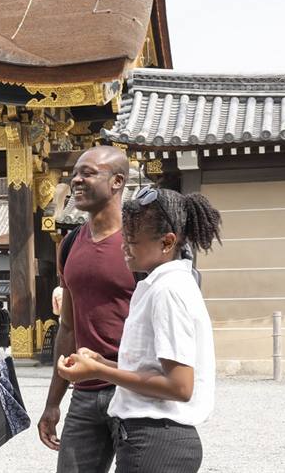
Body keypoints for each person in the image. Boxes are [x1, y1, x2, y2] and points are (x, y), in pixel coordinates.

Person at [58, 188, 220, 473]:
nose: (124, 249)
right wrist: (100, 361)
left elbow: (179, 386)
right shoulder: (161, 285)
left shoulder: (168, 291)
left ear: (167, 242)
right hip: (153, 438)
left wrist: (99, 372)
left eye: (132, 242)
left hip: (156, 441)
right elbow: (151, 368)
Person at [38, 145, 135, 473]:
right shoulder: (70, 244)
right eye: (74, 173)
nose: (76, 180)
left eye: (88, 173)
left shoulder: (141, 243)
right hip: (84, 394)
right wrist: (53, 402)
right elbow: (68, 327)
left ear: (117, 182)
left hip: (134, 390)